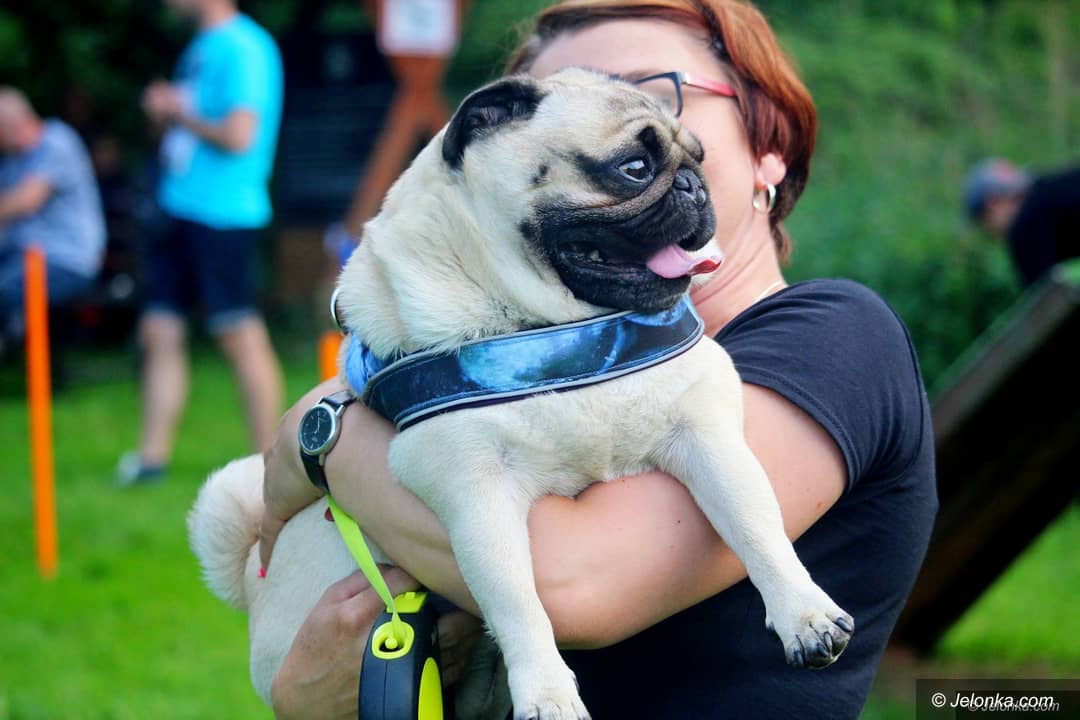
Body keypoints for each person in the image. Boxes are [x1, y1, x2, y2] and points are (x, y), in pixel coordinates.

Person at [259, 1, 938, 717]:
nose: (625, 113)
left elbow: (574, 585)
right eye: (587, 105)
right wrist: (304, 691)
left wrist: (323, 436)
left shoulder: (835, 336)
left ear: (770, 142)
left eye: (656, 91)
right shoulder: (511, 371)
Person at [119, 0, 285, 483]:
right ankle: (151, 461)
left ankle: (270, 464)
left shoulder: (246, 46)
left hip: (224, 212)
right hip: (177, 206)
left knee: (238, 332)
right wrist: (164, 115)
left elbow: (239, 135)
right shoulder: (199, 48)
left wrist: (177, 110)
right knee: (159, 329)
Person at [0, 87, 104, 351]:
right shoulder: (13, 160)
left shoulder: (57, 141)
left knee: (4, 289)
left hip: (67, 261)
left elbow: (25, 201)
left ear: (10, 125)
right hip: (23, 256)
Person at [964, 158, 1080, 287]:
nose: (991, 232)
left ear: (993, 204)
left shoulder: (1024, 227)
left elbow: (1047, 294)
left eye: (985, 222)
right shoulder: (1063, 183)